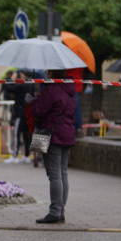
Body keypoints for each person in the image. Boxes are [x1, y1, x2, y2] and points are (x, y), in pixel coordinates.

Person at [30, 69, 76, 224]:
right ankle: (61, 210)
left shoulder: (51, 90)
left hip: (52, 134)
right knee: (63, 173)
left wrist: (34, 100)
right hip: (67, 134)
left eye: (48, 71)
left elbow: (38, 111)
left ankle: (55, 211)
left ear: (52, 74)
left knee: (54, 175)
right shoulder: (70, 90)